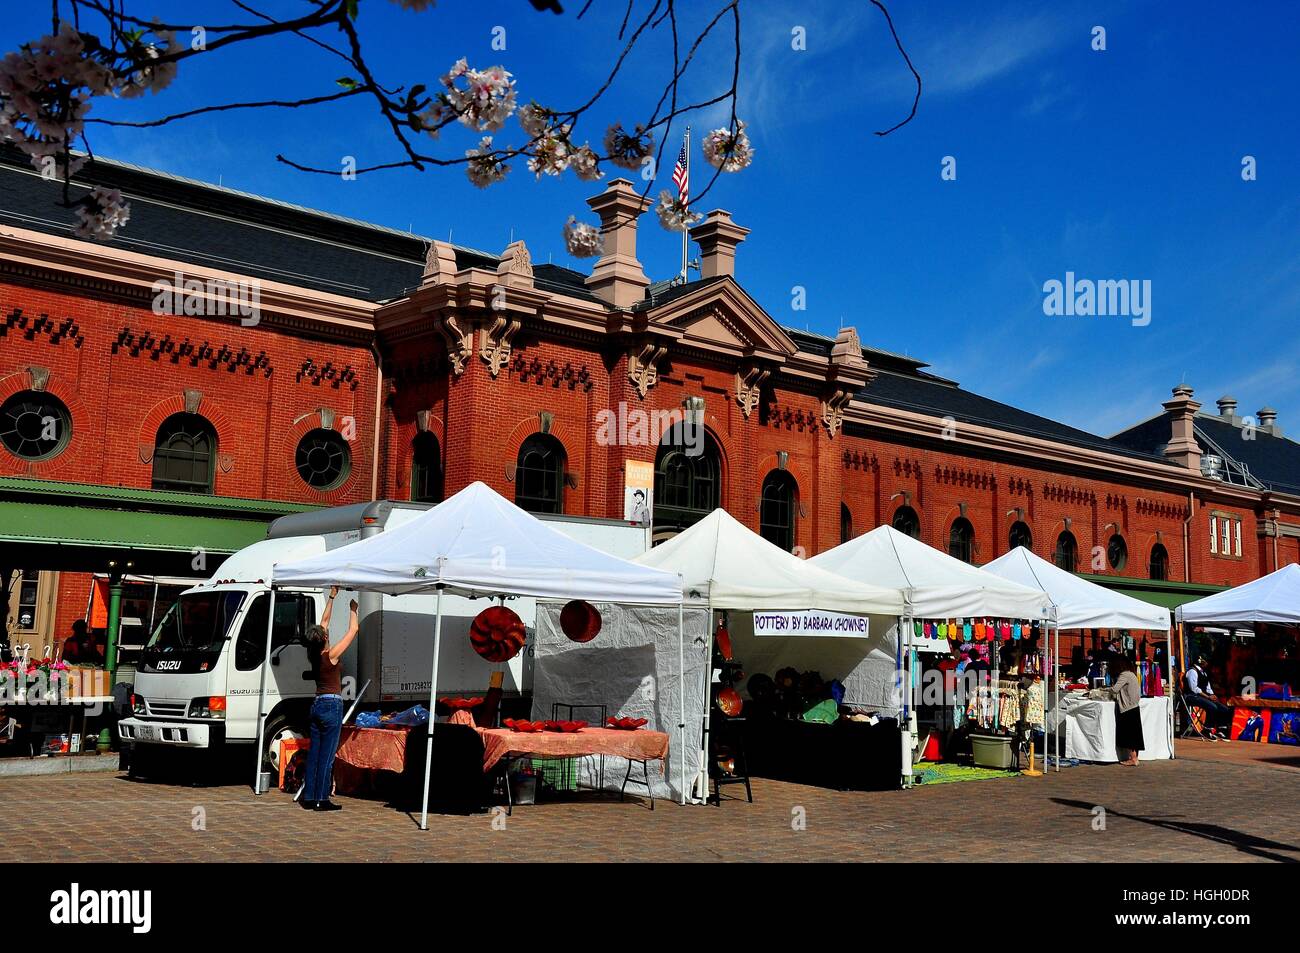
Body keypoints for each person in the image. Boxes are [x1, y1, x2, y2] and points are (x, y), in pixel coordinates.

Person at [301, 587, 360, 812]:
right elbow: (353, 629)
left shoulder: (314, 654)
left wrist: (332, 596)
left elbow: (323, 622)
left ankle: (309, 797)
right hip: (331, 705)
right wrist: (353, 609)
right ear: (325, 638)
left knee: (315, 753)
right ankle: (321, 799)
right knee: (327, 756)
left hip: (316, 704)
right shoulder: (332, 655)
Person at [1185, 654, 1231, 740]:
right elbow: (1194, 688)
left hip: (1203, 696)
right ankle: (1207, 729)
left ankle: (1221, 729)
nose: (1207, 663)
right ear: (1201, 662)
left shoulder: (1204, 673)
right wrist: (1208, 697)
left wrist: (1212, 695)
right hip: (1192, 696)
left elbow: (1208, 687)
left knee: (1223, 708)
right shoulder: (1192, 671)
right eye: (1205, 661)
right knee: (1212, 707)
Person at [1110, 656, 1144, 766]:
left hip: (1127, 708)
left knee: (1129, 734)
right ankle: (1135, 757)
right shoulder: (1132, 674)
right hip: (1134, 706)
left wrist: (1107, 689)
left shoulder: (1124, 675)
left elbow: (1115, 689)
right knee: (1135, 734)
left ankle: (1133, 758)